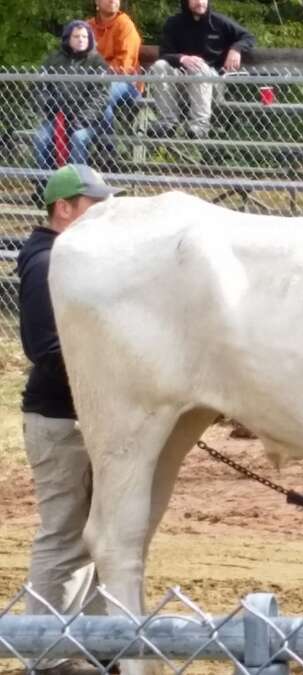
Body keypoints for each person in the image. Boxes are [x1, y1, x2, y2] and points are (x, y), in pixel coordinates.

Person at [19, 166, 122, 657]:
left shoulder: (65, 259)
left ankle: (95, 645)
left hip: (80, 415)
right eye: (94, 207)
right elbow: (47, 349)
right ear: (65, 208)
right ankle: (47, 652)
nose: (103, 217)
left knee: (99, 537)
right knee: (64, 537)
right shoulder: (46, 264)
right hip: (61, 419)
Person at [145, 0, 255, 139]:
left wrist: (236, 49)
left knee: (199, 66)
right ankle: (167, 123)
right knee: (159, 65)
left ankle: (200, 126)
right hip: (181, 83)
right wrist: (182, 58)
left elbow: (248, 37)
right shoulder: (173, 23)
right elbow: (164, 54)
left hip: (211, 83)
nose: (200, 2)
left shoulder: (218, 22)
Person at [32, 22, 111, 172]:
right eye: (76, 36)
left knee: (78, 138)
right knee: (41, 139)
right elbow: (39, 88)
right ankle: (44, 183)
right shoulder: (54, 60)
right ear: (68, 38)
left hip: (87, 120)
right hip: (57, 116)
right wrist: (50, 104)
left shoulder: (97, 62)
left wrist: (82, 119)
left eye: (84, 36)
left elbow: (100, 96)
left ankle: (78, 185)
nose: (81, 40)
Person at [88, 0, 143, 132]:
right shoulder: (88, 26)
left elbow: (124, 64)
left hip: (126, 82)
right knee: (87, 95)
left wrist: (96, 73)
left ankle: (108, 144)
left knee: (100, 96)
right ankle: (104, 141)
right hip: (94, 81)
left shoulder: (125, 25)